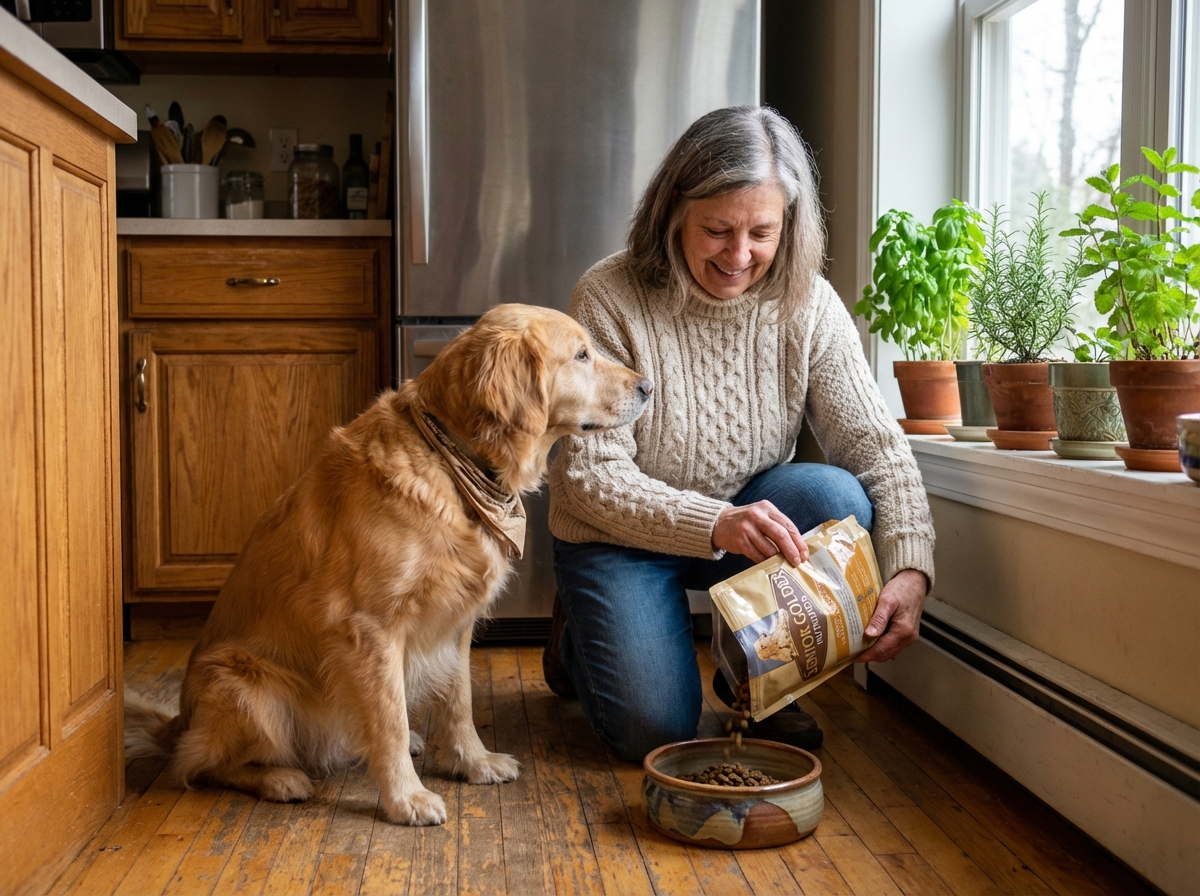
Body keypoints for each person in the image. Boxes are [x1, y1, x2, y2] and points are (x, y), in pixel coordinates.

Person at [543, 105, 935, 763]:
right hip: (619, 536)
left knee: (839, 500)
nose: (739, 255)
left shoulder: (808, 302)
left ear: (790, 225)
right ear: (674, 213)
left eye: (762, 232)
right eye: (717, 230)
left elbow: (875, 445)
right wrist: (715, 522)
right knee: (654, 729)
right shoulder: (608, 295)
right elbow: (590, 476)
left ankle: (753, 678)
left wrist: (912, 566)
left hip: (743, 523)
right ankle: (576, 637)